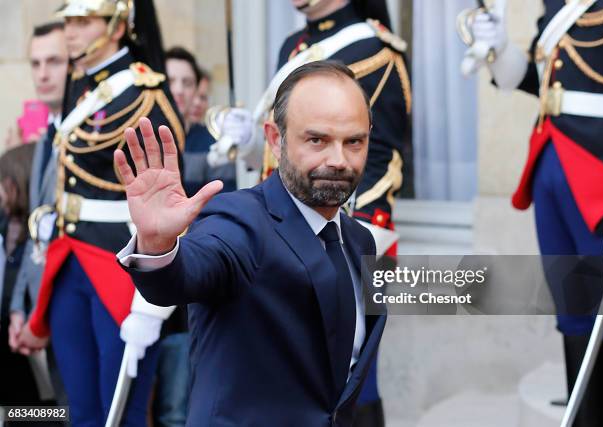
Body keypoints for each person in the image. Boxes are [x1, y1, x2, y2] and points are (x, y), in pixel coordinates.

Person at [116, 60, 386, 427]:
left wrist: (480, 285)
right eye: (317, 140)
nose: (338, 160)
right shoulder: (239, 222)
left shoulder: (358, 240)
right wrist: (157, 243)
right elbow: (182, 276)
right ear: (275, 139)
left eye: (354, 141)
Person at [237, 1, 412, 423]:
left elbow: (379, 156)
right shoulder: (293, 46)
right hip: (282, 229)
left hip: (341, 234)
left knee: (350, 381)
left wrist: (354, 247)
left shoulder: (374, 47)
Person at [16, 1, 185, 425]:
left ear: (116, 24)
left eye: (83, 21)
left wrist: (153, 301)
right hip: (69, 258)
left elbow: (167, 202)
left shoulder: (145, 93)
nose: (70, 32)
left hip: (119, 266)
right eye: (68, 22)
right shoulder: (81, 83)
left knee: (121, 411)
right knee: (81, 410)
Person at [464, 1, 603, 425]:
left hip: (601, 179)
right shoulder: (559, 5)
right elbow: (536, 80)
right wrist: (502, 49)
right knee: (574, 311)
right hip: (553, 168)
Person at [8, 20, 68, 359]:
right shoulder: (46, 137)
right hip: (43, 308)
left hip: (79, 305)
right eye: (36, 63)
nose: (42, 73)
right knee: (49, 414)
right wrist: (20, 306)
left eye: (54, 61)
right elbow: (35, 232)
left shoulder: (90, 136)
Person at [0, 144, 43, 414]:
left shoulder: (35, 231)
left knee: (37, 410)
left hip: (30, 335)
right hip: (10, 334)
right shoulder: (9, 225)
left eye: (4, 183)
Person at [166, 46, 242, 196]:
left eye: (187, 83)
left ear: (196, 89)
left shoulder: (214, 145)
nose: (179, 90)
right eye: (170, 81)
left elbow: (224, 205)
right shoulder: (138, 137)